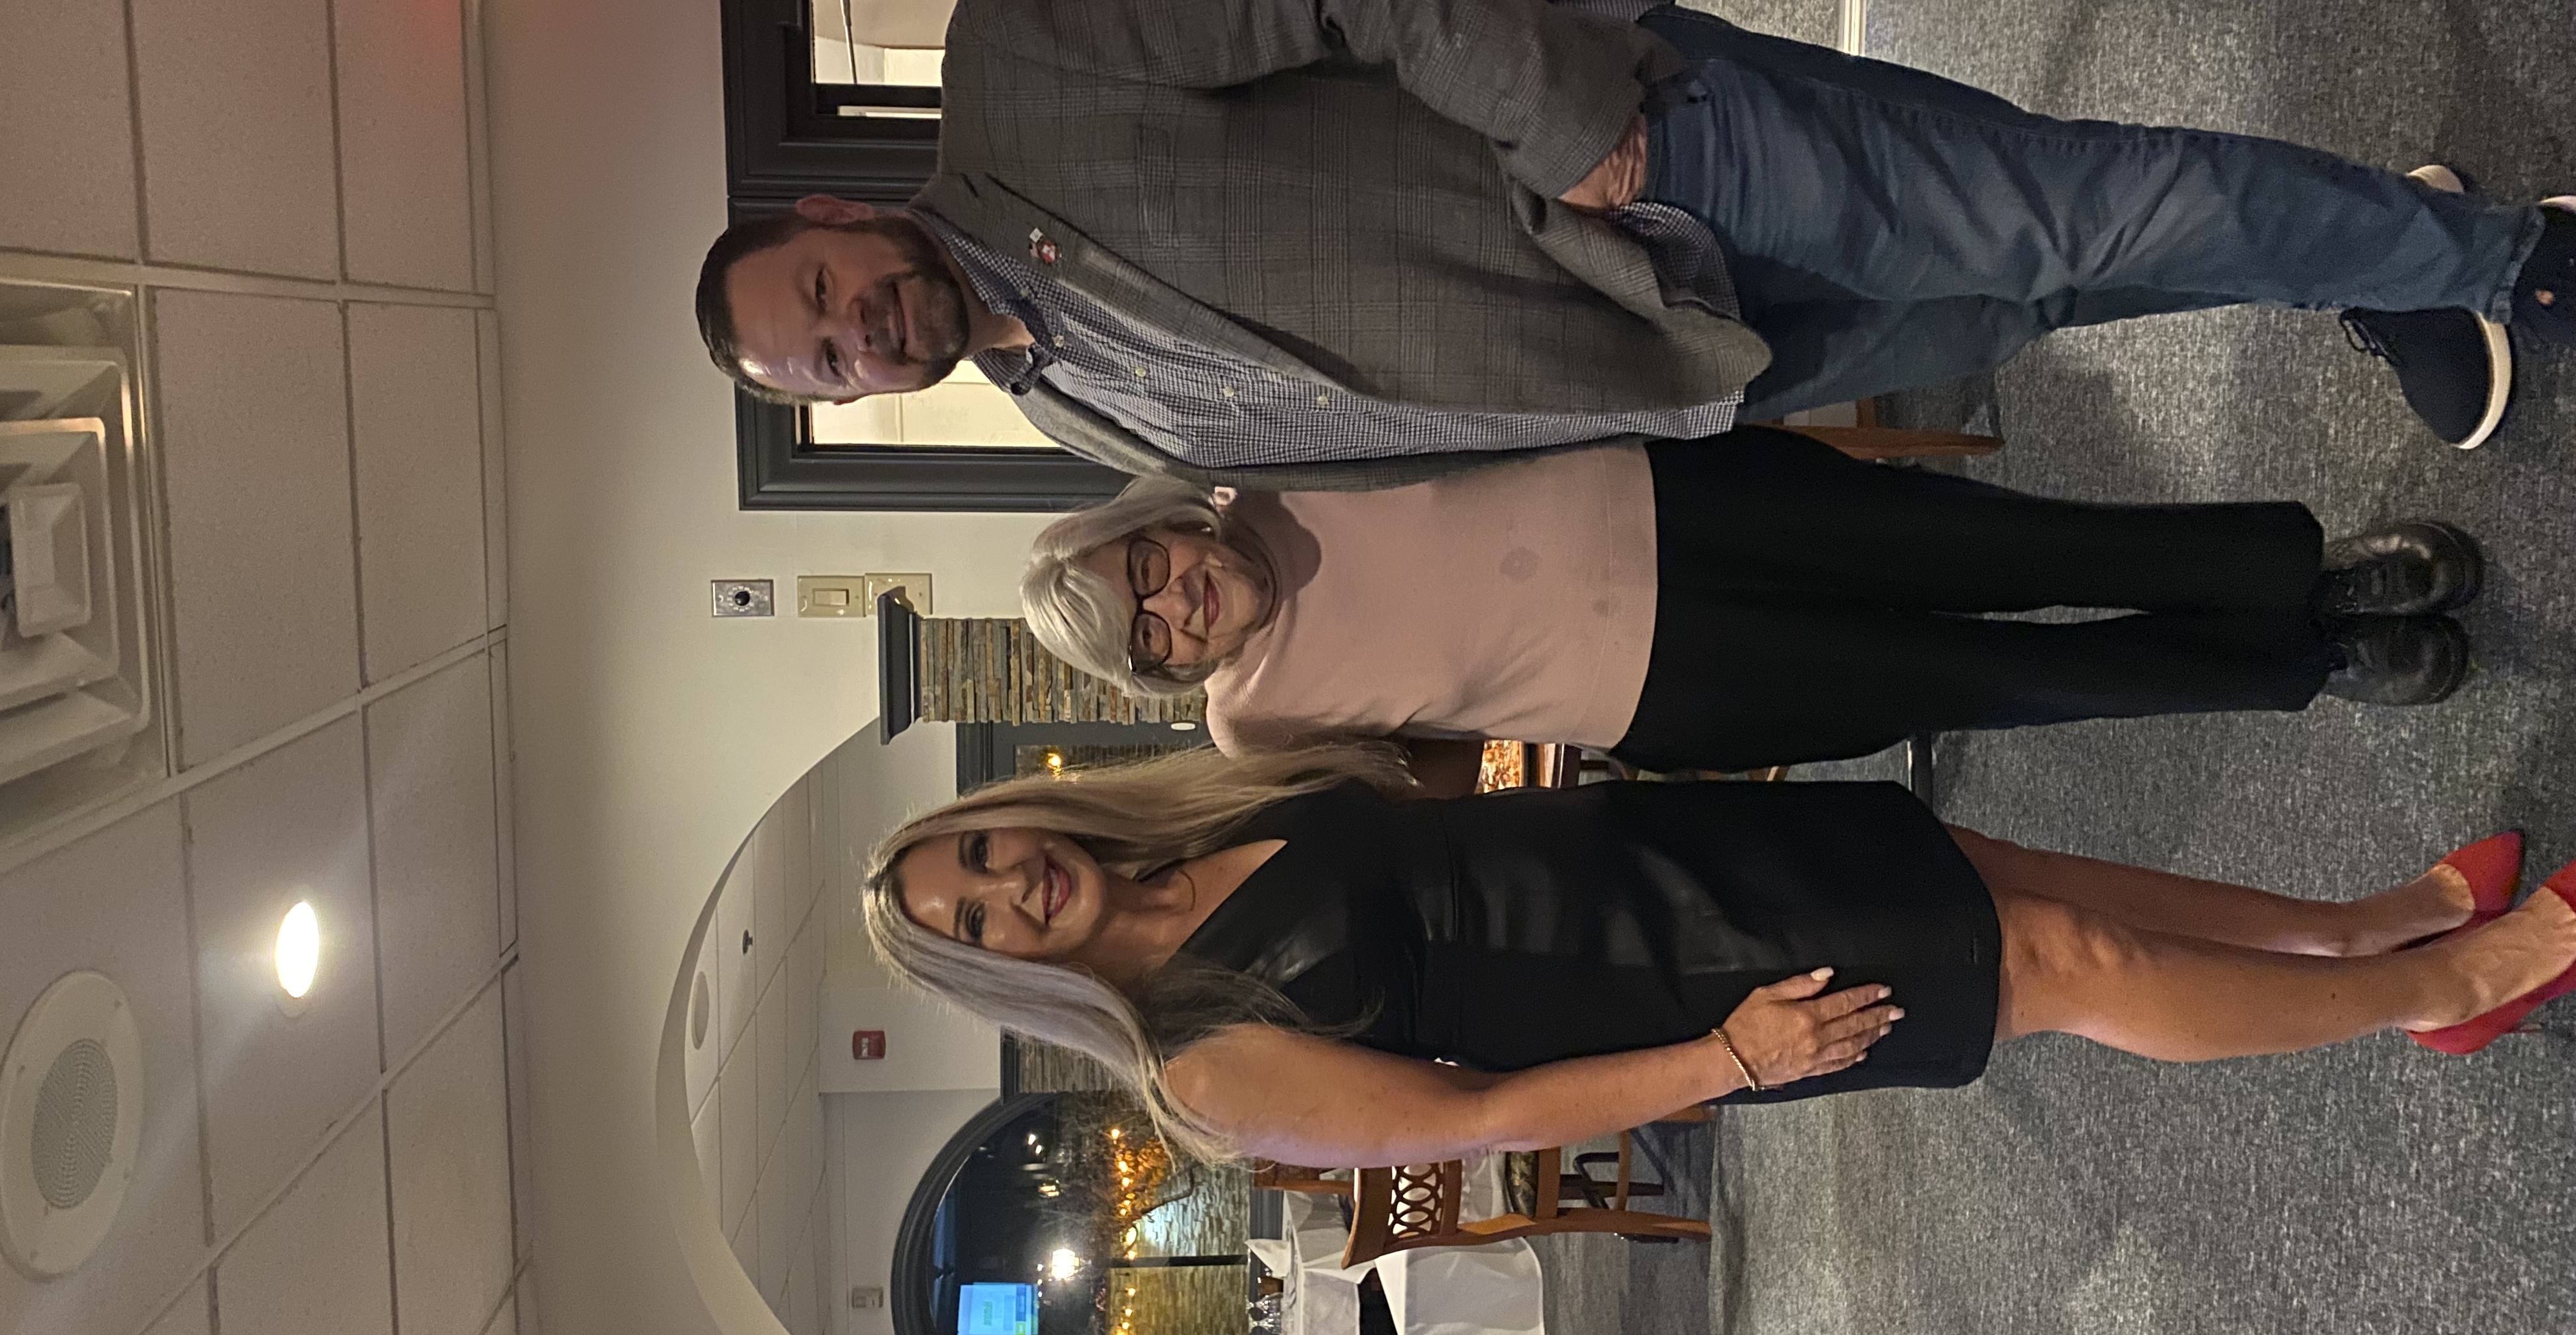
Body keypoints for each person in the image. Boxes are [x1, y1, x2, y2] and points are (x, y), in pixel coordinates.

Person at [694, 0, 2575, 473]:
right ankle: (2384, 247)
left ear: (835, 219)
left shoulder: (1017, 63)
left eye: (826, 293)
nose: (862, 331)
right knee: (2048, 291)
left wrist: (1562, 121)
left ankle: (2505, 260)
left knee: (2058, 209)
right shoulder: (1073, 417)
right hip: (1675, 355)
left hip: (1646, 165)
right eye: (831, 361)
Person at [860, 745, 2571, 1163]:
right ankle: (2449, 990)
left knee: (2017, 877)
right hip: (1673, 989)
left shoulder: (1203, 800)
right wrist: (1723, 1063)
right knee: (2058, 961)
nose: (1010, 890)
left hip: (1671, 851)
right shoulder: (1198, 1066)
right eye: (974, 921)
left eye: (980, 855)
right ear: (999, 973)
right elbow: (1473, 1120)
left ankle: (2361, 927)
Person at [1015, 431, 2488, 769]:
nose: (1178, 604)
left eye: (1146, 570)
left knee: (2018, 549)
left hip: (1686, 502)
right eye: (1151, 636)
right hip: (1675, 692)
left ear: (1159, 523)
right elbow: (1417, 784)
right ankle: (2312, 666)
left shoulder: (1269, 464)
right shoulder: (1251, 721)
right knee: (2010, 681)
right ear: (1161, 671)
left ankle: (2307, 575)